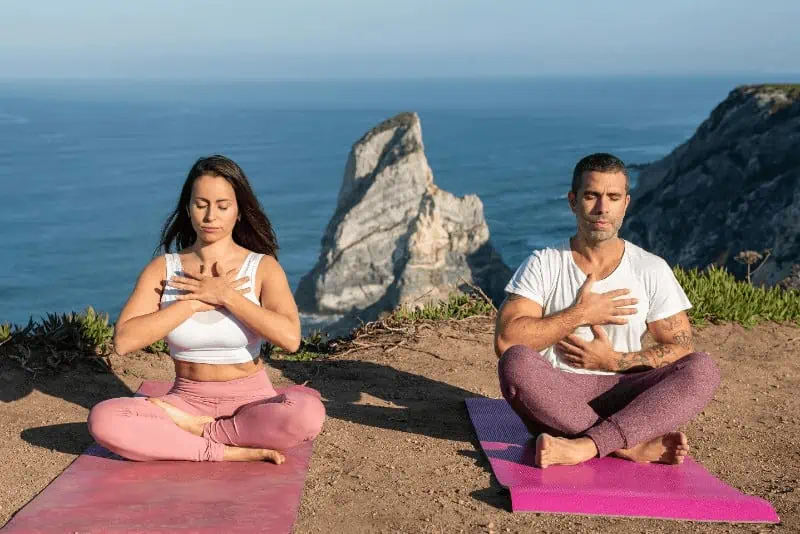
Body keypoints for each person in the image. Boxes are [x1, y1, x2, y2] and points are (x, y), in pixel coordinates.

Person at [88, 155, 325, 463]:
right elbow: (124, 341)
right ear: (188, 209)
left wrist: (227, 296)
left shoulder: (262, 267)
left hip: (252, 403)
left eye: (223, 206)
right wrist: (193, 302)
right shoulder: (164, 269)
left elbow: (291, 339)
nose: (211, 215)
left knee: (307, 415)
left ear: (239, 211)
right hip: (185, 401)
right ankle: (222, 449)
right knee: (104, 419)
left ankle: (199, 435)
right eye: (201, 204)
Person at [494, 153, 720, 469]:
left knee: (702, 368)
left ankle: (585, 446)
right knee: (515, 362)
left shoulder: (651, 269)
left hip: (625, 391)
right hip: (558, 394)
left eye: (613, 197)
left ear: (625, 203)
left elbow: (681, 348)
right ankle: (627, 445)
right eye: (591, 196)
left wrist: (613, 361)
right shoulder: (544, 263)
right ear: (573, 201)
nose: (602, 208)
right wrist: (581, 313)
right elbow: (507, 341)